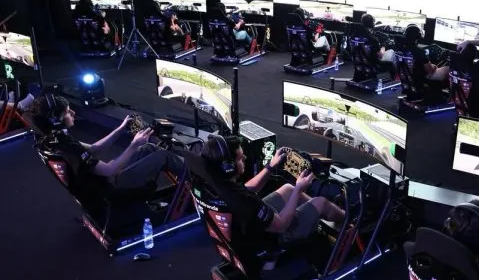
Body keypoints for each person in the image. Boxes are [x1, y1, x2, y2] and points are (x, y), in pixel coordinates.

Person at [201, 135, 345, 243]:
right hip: (272, 238)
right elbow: (281, 225)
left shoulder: (219, 183)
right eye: (240, 158)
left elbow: (248, 189)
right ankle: (347, 219)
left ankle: (321, 214)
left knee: (288, 189)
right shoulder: (246, 203)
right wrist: (299, 189)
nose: (245, 157)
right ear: (228, 167)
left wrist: (270, 166)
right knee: (321, 202)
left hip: (250, 227)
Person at [30, 94, 186, 193]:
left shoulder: (54, 138)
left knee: (149, 148)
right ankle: (196, 180)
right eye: (68, 112)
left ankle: (185, 184)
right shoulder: (66, 145)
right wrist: (134, 144)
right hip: (109, 187)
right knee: (163, 156)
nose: (73, 113)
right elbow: (110, 171)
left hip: (98, 182)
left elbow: (94, 148)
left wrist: (121, 128)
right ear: (55, 119)